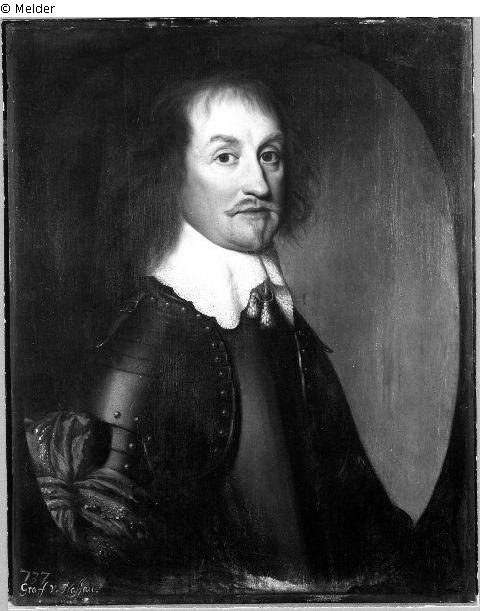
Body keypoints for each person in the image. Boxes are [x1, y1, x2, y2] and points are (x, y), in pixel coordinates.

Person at [26, 74, 413, 590]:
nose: (259, 184)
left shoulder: (276, 317)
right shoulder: (148, 342)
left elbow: (356, 503)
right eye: (226, 157)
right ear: (172, 173)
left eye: (269, 156)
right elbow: (105, 562)